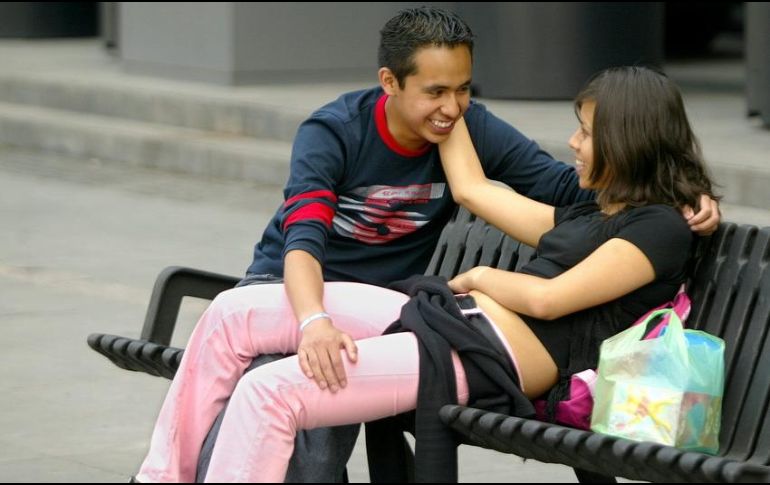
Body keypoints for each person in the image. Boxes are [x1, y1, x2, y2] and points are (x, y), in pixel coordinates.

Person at [139, 6, 721, 483]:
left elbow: (549, 300)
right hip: (421, 311)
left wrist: (688, 194)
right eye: (436, 90)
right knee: (229, 314)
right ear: (391, 83)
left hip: (475, 343)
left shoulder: (652, 226)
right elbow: (470, 187)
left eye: (586, 132)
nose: (572, 140)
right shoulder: (581, 217)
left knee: (273, 393)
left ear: (627, 141)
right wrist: (445, 109)